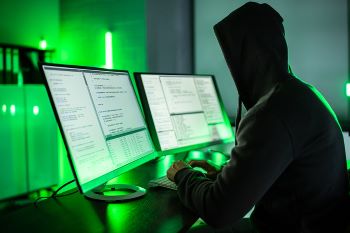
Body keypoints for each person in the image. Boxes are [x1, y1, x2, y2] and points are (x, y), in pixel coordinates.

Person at [167, 2, 350, 233]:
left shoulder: (273, 112)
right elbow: (278, 165)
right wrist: (226, 172)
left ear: (244, 56)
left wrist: (183, 175)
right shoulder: (300, 93)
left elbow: (218, 210)